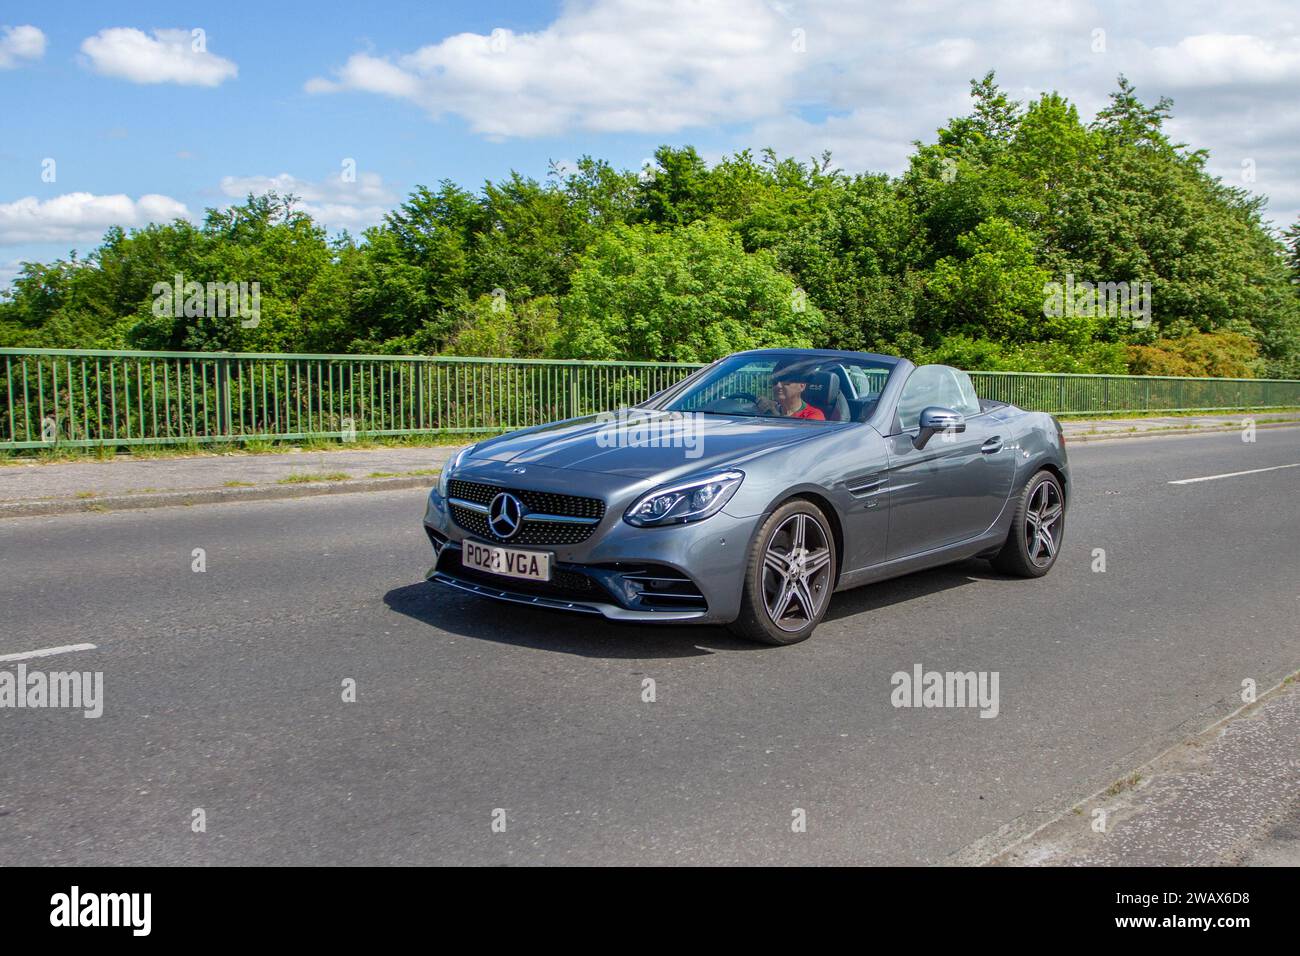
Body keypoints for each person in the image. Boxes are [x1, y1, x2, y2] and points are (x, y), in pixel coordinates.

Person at [756, 365, 825, 420]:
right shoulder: (770, 408)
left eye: (786, 382)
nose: (778, 386)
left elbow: (792, 435)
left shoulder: (814, 416)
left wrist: (774, 414)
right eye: (775, 381)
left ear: (802, 386)